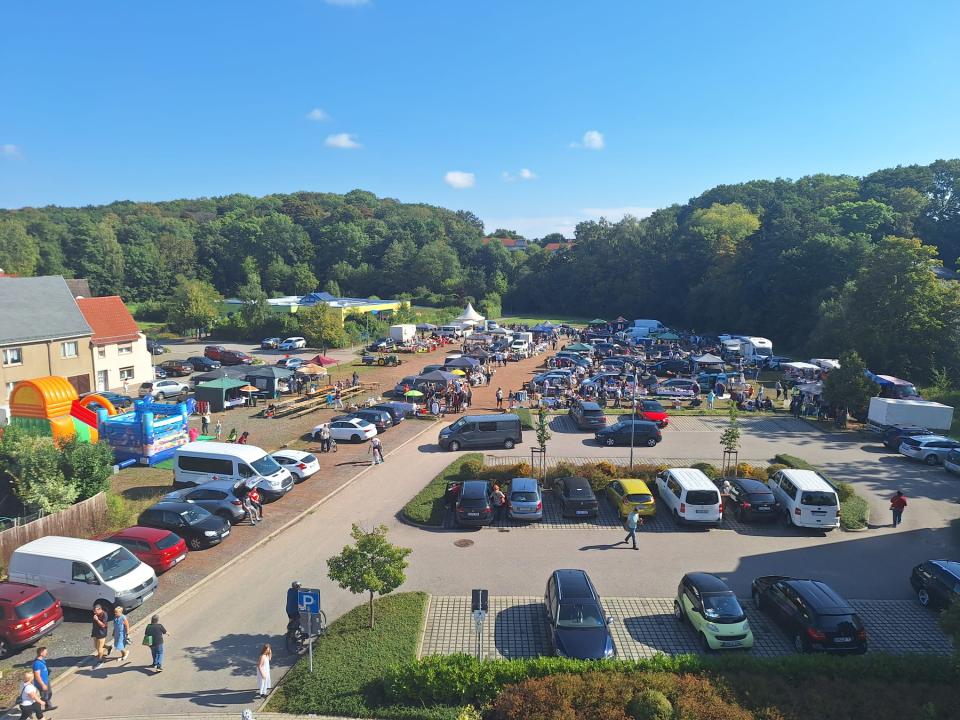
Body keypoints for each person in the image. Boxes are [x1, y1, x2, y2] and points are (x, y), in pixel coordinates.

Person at [31, 647, 53, 711]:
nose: (46, 653)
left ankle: (48, 706)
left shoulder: (42, 660)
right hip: (41, 682)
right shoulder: (37, 663)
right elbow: (37, 675)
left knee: (49, 693)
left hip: (46, 680)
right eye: (45, 651)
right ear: (41, 653)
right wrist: (42, 684)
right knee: (44, 696)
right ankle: (37, 708)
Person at [91, 604, 108, 668]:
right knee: (96, 646)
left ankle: (101, 661)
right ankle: (108, 648)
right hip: (95, 632)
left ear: (100, 609)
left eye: (95, 611)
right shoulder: (96, 614)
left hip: (101, 633)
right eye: (93, 611)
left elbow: (103, 625)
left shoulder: (104, 615)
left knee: (100, 648)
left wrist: (97, 620)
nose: (94, 612)